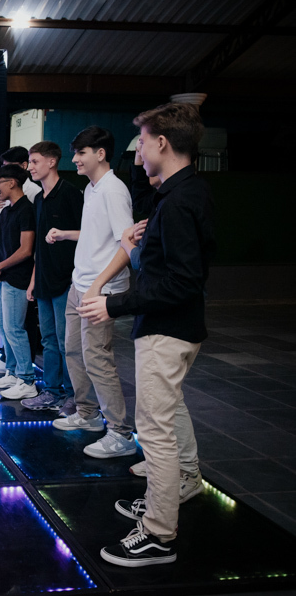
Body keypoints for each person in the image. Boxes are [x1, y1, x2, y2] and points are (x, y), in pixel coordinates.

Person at [79, 103, 214, 566]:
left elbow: (179, 282)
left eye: (142, 140)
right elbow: (169, 268)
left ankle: (159, 532)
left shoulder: (179, 201)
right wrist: (139, 246)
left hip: (166, 331)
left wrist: (112, 303)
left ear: (161, 143)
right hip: (178, 328)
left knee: (154, 432)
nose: (136, 148)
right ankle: (177, 490)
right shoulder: (185, 191)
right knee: (170, 413)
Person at [50, 126, 137, 460]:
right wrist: (67, 234)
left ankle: (120, 433)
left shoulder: (114, 190)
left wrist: (99, 286)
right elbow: (97, 232)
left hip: (98, 290)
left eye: (81, 153)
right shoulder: (92, 189)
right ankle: (87, 414)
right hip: (80, 284)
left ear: (100, 154)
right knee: (74, 351)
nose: (75, 159)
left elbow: (126, 242)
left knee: (99, 359)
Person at [20, 141, 84, 412]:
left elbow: (88, 236)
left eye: (34, 161)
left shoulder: (70, 194)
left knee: (65, 340)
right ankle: (51, 391)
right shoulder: (38, 200)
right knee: (47, 339)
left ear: (52, 162)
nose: (30, 167)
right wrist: (34, 279)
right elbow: (38, 248)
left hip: (67, 279)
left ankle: (73, 395)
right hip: (45, 278)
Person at [0, 164, 38, 399]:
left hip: (18, 278)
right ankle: (13, 372)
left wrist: (0, 266)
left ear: (12, 182)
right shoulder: (9, 210)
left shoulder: (26, 210)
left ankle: (27, 379)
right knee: (5, 327)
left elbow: (26, 250)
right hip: (6, 277)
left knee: (14, 328)